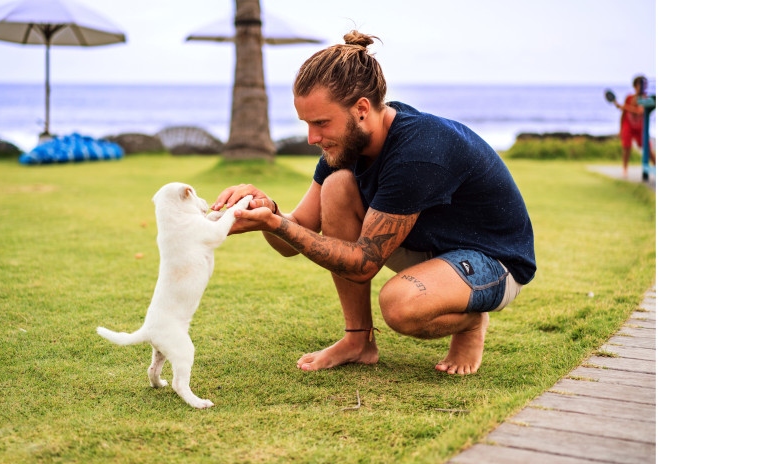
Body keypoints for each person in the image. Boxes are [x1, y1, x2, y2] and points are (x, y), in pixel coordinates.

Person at [210, 31, 536, 375]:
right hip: (427, 248)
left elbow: (364, 263)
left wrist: (276, 224)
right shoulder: (345, 146)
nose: (312, 138)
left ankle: (470, 324)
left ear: (361, 109)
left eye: (321, 123)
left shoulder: (418, 150)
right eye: (307, 124)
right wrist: (268, 210)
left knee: (400, 306)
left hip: (493, 262)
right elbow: (296, 234)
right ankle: (358, 341)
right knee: (336, 186)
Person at [613, 75, 656, 177]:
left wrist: (624, 107)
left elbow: (640, 111)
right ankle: (625, 169)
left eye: (644, 85)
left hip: (641, 127)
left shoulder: (645, 98)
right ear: (635, 86)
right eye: (640, 84)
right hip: (628, 125)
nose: (642, 87)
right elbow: (623, 114)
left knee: (647, 148)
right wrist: (620, 129)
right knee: (626, 147)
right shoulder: (629, 98)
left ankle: (655, 166)